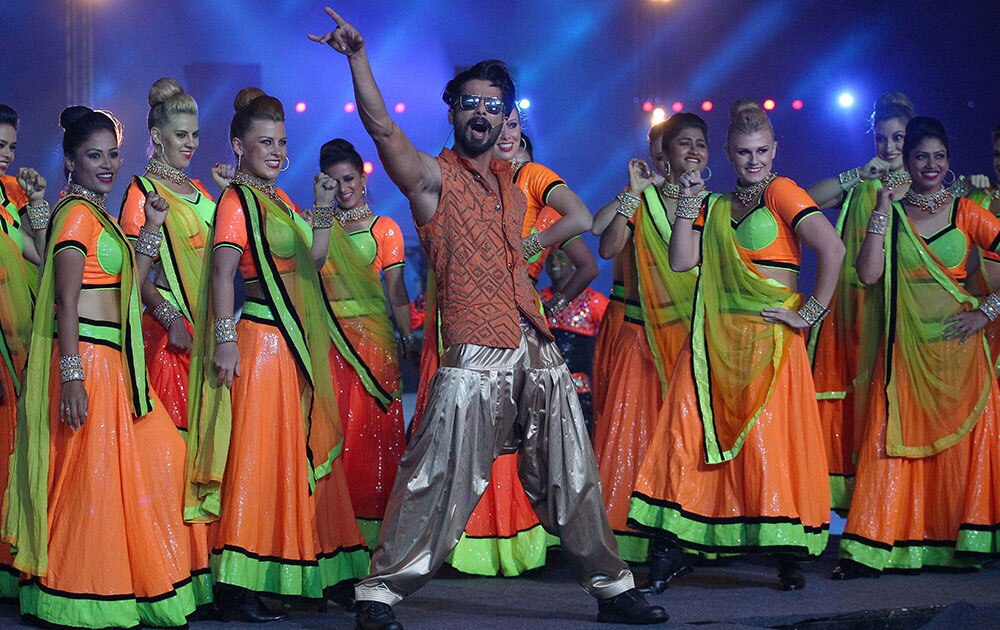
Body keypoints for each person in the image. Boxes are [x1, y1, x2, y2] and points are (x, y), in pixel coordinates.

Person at [310, 7, 667, 628]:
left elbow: (581, 220)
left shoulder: (515, 179)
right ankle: (380, 592)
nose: (482, 114)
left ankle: (612, 588)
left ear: (507, 117)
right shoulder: (432, 180)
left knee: (571, 469)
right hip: (475, 353)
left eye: (494, 106)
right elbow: (383, 131)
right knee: (435, 475)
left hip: (536, 345)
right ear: (453, 111)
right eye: (470, 103)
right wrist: (358, 59)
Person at [628, 100, 844, 591]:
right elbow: (682, 261)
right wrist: (686, 201)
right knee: (683, 437)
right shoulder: (717, 204)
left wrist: (809, 314)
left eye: (762, 151)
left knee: (771, 447)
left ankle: (786, 556)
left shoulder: (782, 191)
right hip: (712, 341)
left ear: (775, 150)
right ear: (726, 152)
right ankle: (669, 552)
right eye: (744, 152)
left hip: (771, 341)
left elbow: (832, 248)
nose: (753, 161)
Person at [3, 106, 197, 628]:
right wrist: (71, 376)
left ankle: (117, 581)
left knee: (157, 459)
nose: (108, 164)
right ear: (70, 161)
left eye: (112, 154)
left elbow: (130, 282)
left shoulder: (101, 216)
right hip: (88, 360)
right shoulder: (73, 215)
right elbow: (65, 300)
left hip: (116, 364)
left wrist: (152, 227)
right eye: (95, 155)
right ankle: (80, 590)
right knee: (91, 481)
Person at [183, 87, 368, 622]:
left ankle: (285, 571)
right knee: (256, 460)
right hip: (259, 341)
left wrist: (323, 208)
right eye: (265, 141)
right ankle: (236, 584)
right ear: (238, 145)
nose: (276, 150)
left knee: (289, 457)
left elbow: (311, 257)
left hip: (289, 348)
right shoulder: (236, 202)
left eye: (282, 141)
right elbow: (222, 272)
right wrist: (222, 337)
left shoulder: (280, 200)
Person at [407, 110, 601, 578]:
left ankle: (562, 558)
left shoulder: (533, 179)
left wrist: (532, 251)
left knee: (532, 441)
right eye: (500, 125)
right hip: (460, 321)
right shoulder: (467, 177)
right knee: (451, 438)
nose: (507, 134)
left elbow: (585, 234)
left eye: (515, 126)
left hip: (516, 324)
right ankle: (435, 553)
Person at [834, 116, 1000, 578]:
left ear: (949, 162)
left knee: (955, 453)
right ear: (906, 161)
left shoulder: (967, 211)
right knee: (894, 445)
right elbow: (867, 274)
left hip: (959, 357)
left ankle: (954, 543)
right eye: (921, 156)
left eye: (939, 156)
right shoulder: (893, 212)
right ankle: (876, 546)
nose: (930, 164)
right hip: (903, 355)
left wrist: (986, 312)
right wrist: (884, 206)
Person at [118, 78, 232, 606]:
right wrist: (169, 317)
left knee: (208, 455)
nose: (189, 143)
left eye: (194, 134)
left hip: (210, 341)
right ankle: (169, 573)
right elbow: (134, 275)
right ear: (156, 137)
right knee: (171, 461)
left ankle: (204, 575)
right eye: (180, 135)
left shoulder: (206, 195)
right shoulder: (142, 193)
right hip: (168, 344)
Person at [591, 113, 709, 574]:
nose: (688, 153)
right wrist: (632, 193)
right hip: (640, 337)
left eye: (699, 144)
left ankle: (688, 534)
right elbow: (605, 245)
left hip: (690, 340)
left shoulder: (713, 205)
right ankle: (631, 539)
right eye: (680, 146)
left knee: (684, 441)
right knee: (631, 438)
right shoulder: (645, 202)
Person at [806, 92, 915, 512]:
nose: (889, 148)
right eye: (881, 139)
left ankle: (894, 508)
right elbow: (806, 201)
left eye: (898, 139)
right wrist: (857, 174)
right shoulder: (862, 184)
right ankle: (857, 507)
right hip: (853, 313)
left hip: (900, 317)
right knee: (852, 408)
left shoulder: (928, 186)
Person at [317, 137, 410, 548]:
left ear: (364, 176)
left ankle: (377, 536)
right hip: (331, 342)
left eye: (349, 178)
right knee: (337, 434)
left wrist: (407, 335)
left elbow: (398, 293)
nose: (344, 188)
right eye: (334, 181)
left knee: (373, 435)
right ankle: (335, 532)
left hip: (374, 346)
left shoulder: (385, 229)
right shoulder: (320, 228)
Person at [0, 103, 47, 599]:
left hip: (23, 339)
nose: (6, 155)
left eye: (11, 146)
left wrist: (36, 202)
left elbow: (41, 251)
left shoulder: (14, 190)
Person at [537, 248, 608, 433]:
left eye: (561, 257)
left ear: (574, 263)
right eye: (550, 258)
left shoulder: (593, 301)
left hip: (580, 394)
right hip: (542, 392)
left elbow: (608, 341)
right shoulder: (536, 301)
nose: (554, 263)